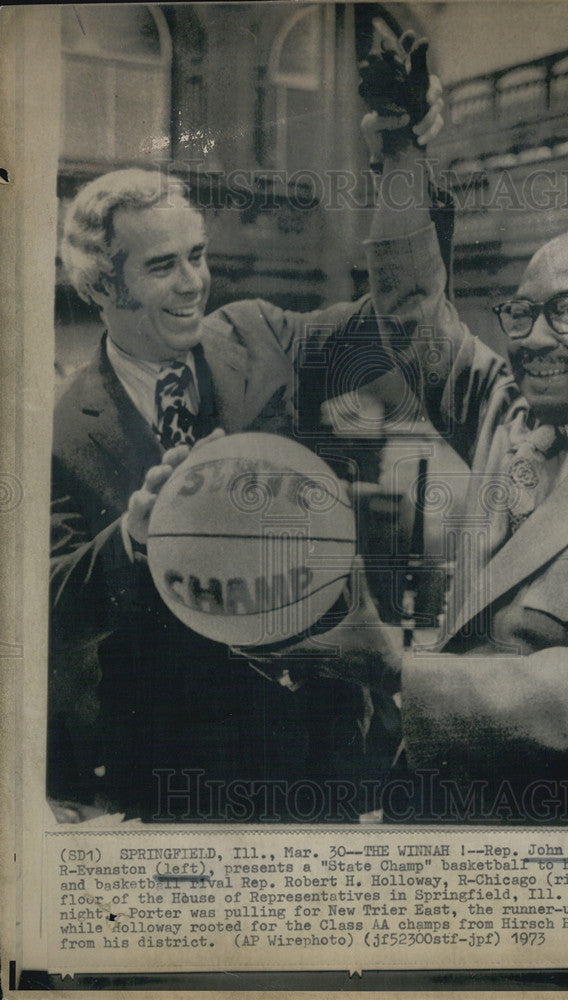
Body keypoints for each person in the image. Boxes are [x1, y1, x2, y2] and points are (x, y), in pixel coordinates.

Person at [49, 84, 444, 821]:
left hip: (321, 754)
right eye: (163, 266)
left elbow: (397, 320)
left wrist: (401, 165)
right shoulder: (60, 429)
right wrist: (132, 539)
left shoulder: (260, 335)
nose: (195, 282)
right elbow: (46, 606)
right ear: (104, 284)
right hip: (175, 780)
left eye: (197, 256)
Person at [356, 106, 568, 825]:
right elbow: (413, 313)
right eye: (520, 314)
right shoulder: (511, 416)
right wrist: (396, 152)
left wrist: (401, 675)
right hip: (443, 820)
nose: (533, 340)